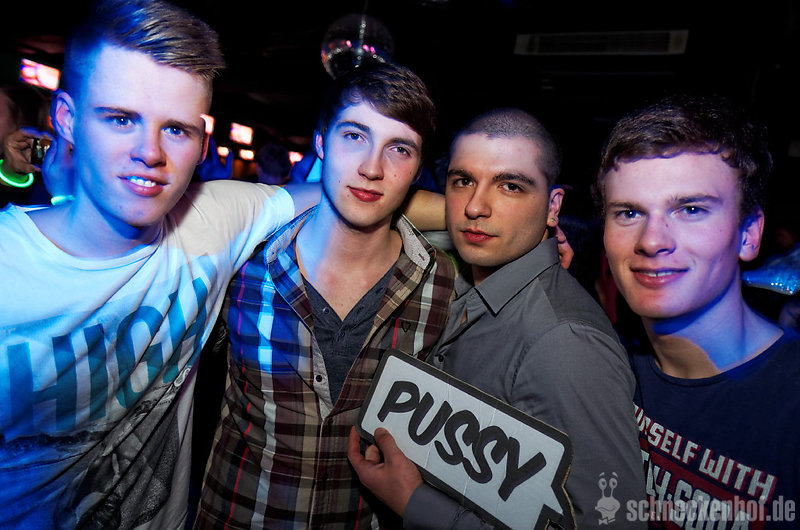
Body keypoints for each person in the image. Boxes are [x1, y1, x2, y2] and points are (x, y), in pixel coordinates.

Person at [0, 0, 333, 527]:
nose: (150, 152)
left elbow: (344, 195)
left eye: (176, 129)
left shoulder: (211, 218)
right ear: (66, 119)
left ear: (202, 143)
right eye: (120, 119)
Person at [349, 107, 646, 529]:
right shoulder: (455, 278)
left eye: (510, 186)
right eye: (462, 181)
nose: (475, 207)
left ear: (553, 206)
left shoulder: (566, 342)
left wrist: (416, 502)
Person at [195, 62, 457, 529]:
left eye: (399, 149)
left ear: (418, 168)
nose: (372, 168)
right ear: (320, 142)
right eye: (354, 136)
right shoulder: (241, 264)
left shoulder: (445, 285)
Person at [595, 94, 799, 526]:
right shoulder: (605, 371)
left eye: (690, 209)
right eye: (629, 212)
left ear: (748, 234)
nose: (652, 240)